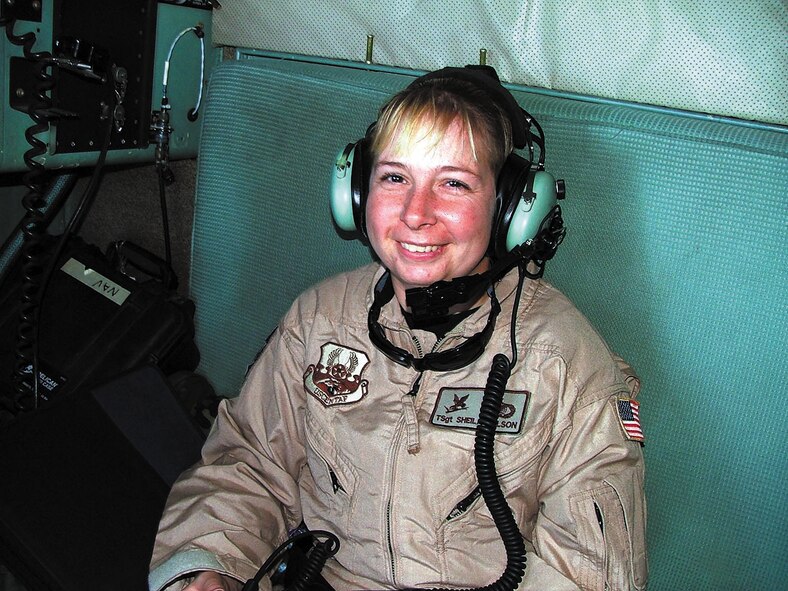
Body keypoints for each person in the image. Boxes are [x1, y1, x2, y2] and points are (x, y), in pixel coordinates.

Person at [149, 65, 647, 591]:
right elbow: (249, 462)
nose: (416, 213)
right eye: (394, 177)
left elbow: (588, 570)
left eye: (453, 183)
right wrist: (210, 569)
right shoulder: (319, 319)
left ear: (509, 210)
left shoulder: (565, 362)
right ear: (358, 192)